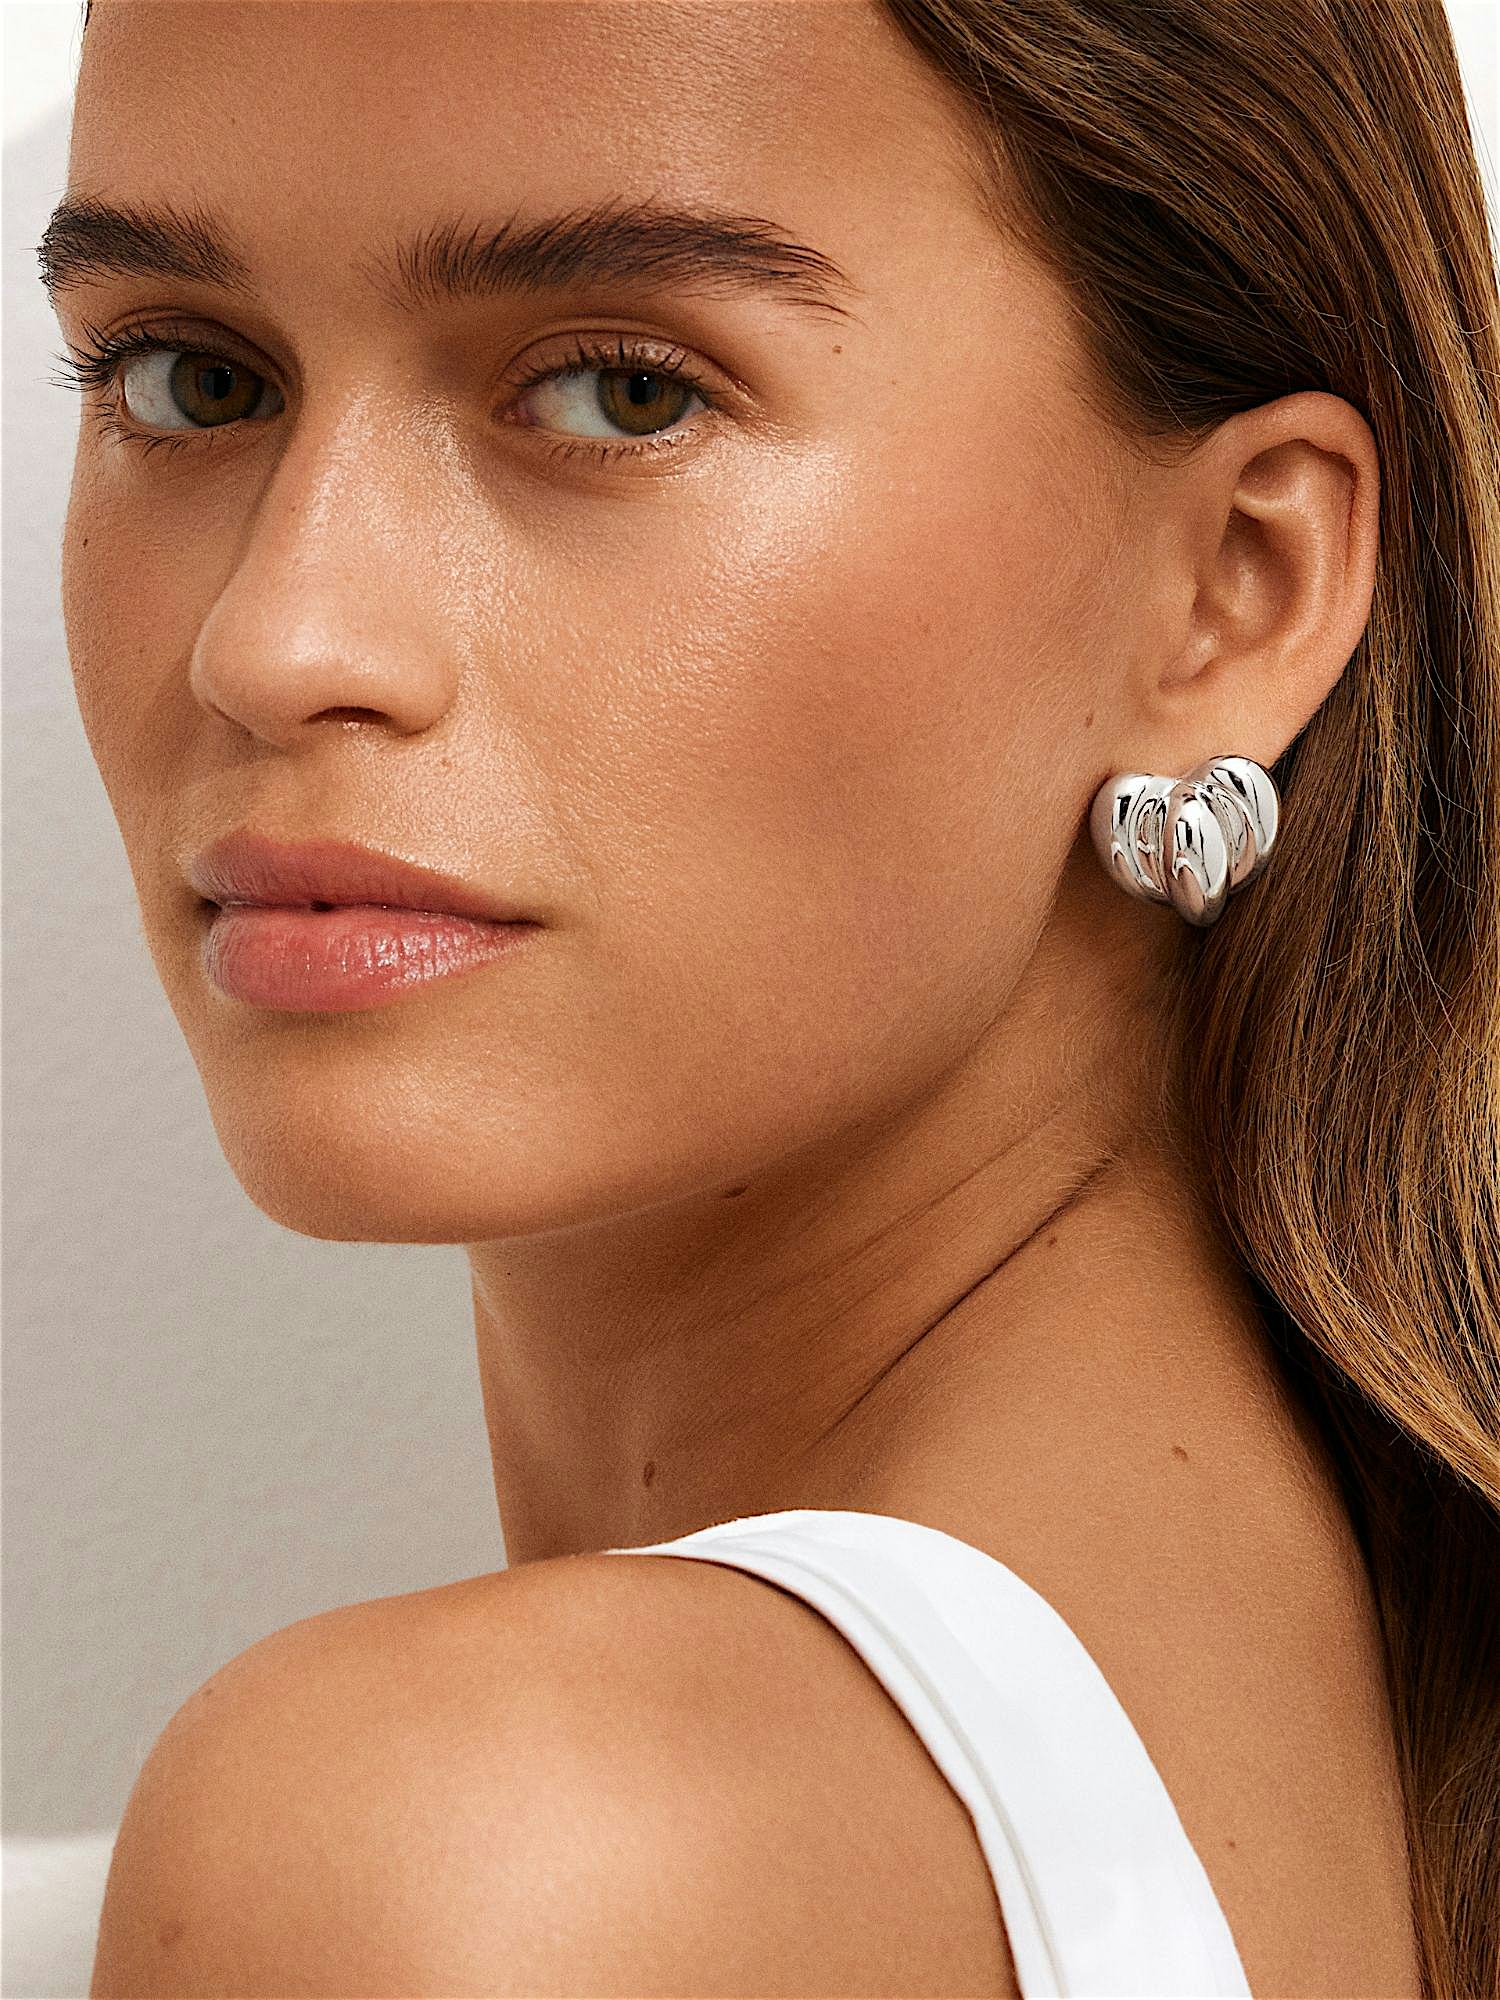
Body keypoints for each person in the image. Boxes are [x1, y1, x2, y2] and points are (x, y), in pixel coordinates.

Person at [36, 0, 1498, 1994]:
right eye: (190, 376)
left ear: (1233, 586)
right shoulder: (1363, 1733)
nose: (277, 640)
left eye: (621, 392)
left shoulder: (475, 1860)